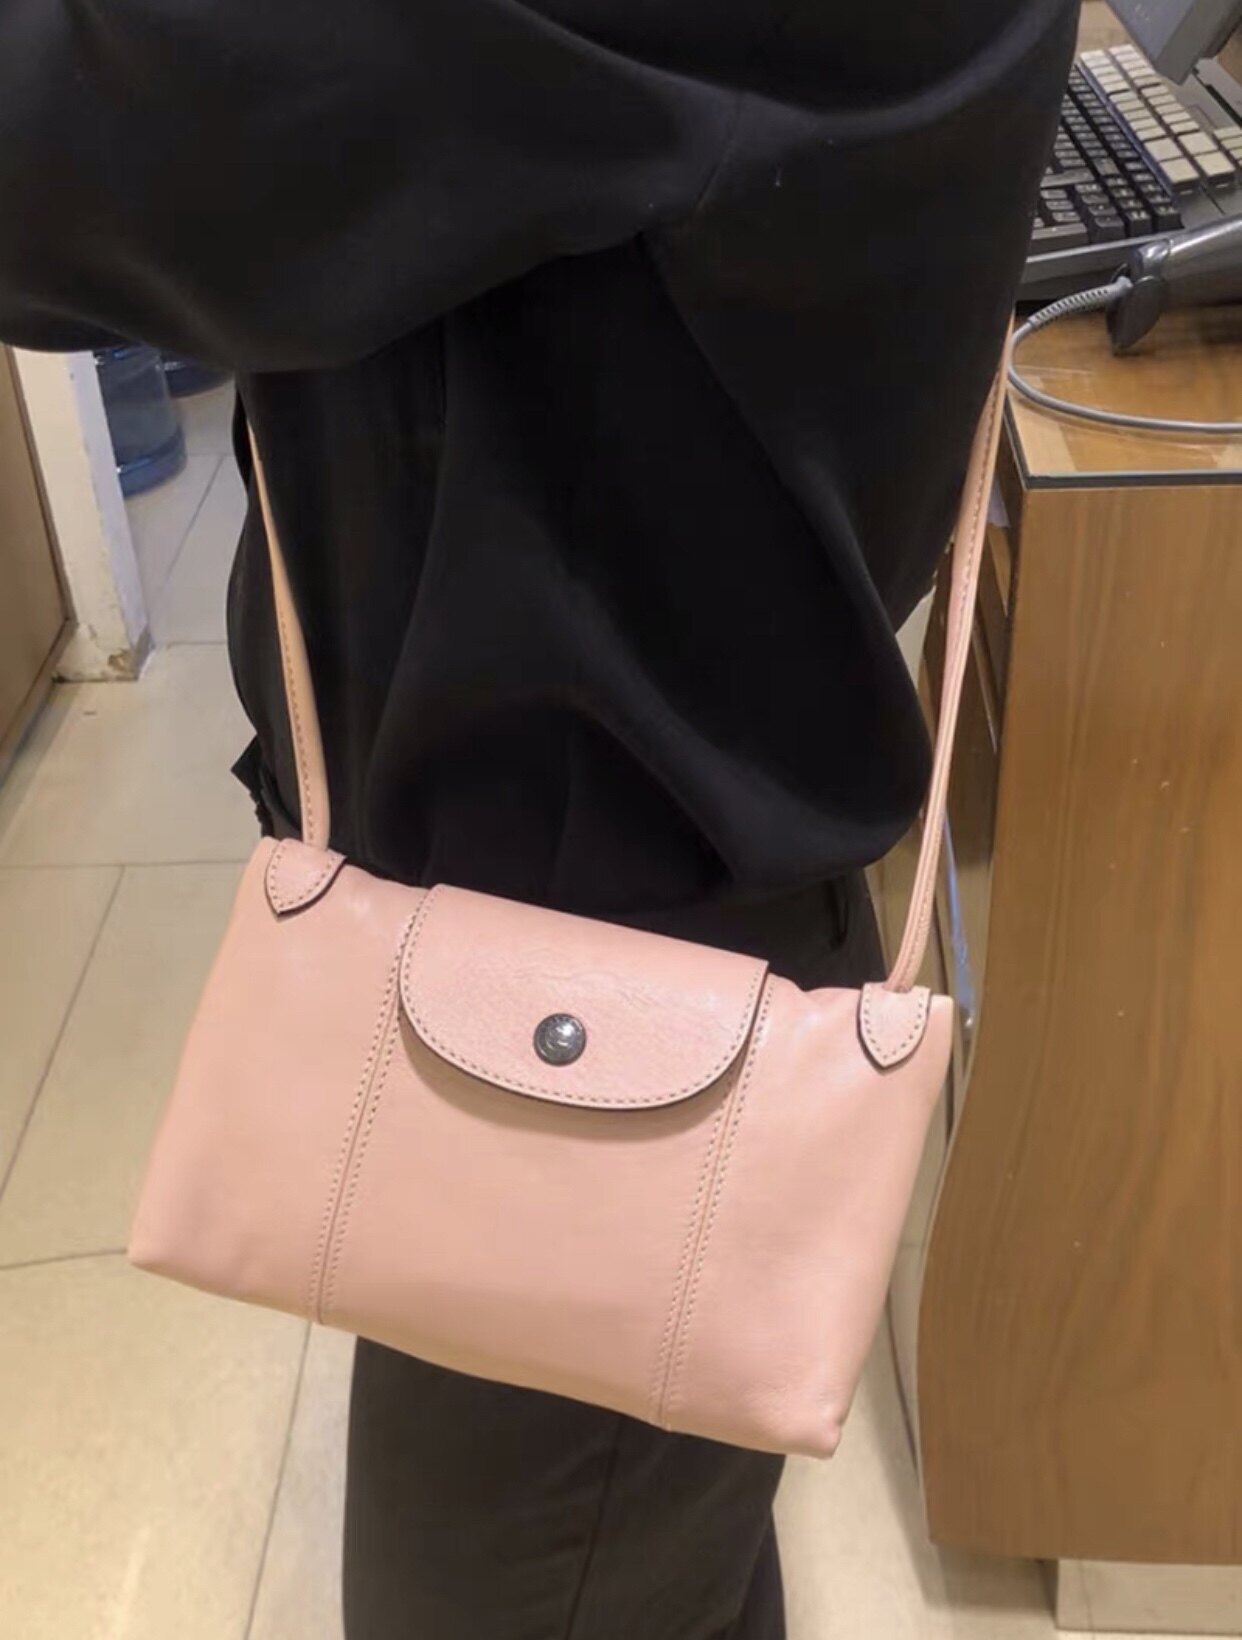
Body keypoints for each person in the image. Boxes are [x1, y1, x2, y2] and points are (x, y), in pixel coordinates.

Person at [0, 2, 1078, 1634]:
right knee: (633, 1547)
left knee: (539, 1563)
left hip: (597, 948)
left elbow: (58, 158)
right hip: (634, 846)